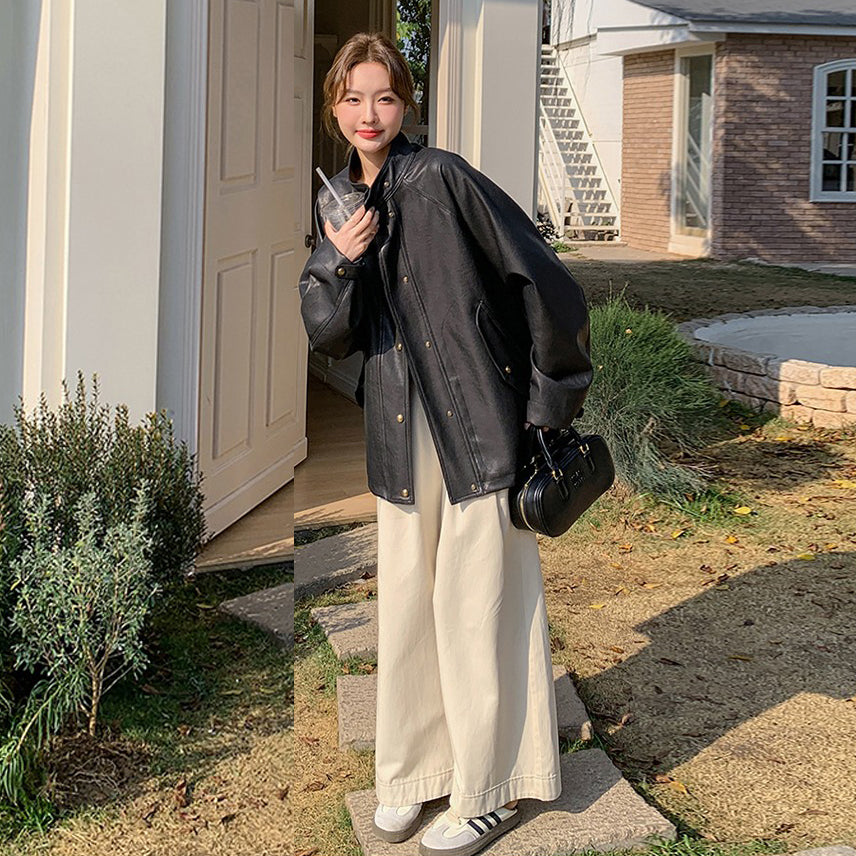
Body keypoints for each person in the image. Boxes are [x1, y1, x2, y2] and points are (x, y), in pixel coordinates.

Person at [298, 31, 592, 856]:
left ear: (406, 103)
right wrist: (338, 262)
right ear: (334, 107)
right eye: (353, 98)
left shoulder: (442, 177)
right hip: (399, 435)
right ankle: (413, 773)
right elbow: (329, 335)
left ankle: (491, 787)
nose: (369, 113)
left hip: (478, 426)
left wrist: (548, 404)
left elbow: (547, 280)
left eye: (385, 96)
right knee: (407, 611)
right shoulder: (336, 204)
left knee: (479, 608)